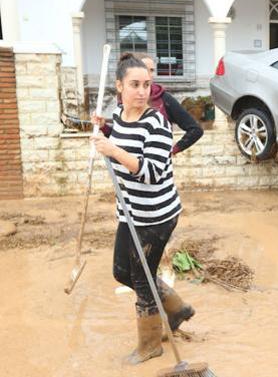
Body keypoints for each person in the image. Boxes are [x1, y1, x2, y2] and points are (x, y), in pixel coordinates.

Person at [91, 54, 194, 364]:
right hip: (130, 210)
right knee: (121, 271)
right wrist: (105, 129)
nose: (142, 91)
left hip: (156, 216)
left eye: (146, 85)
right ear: (119, 86)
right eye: (134, 85)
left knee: (141, 278)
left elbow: (150, 173)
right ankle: (175, 308)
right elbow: (122, 136)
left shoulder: (158, 123)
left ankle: (150, 345)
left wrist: (113, 150)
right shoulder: (120, 115)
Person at [128, 52, 203, 155]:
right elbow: (119, 134)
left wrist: (173, 150)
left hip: (158, 167)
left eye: (152, 70)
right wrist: (103, 127)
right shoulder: (126, 100)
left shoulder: (163, 98)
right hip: (129, 164)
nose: (150, 75)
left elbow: (195, 130)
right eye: (145, 69)